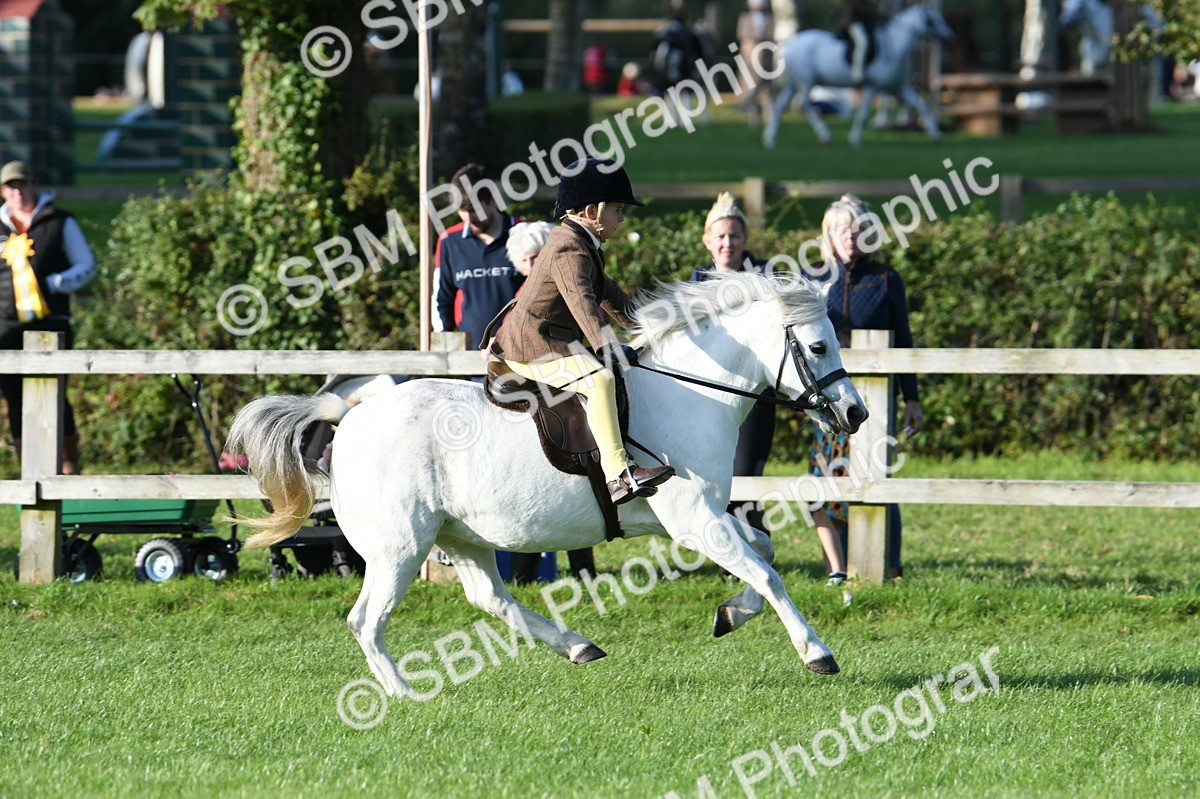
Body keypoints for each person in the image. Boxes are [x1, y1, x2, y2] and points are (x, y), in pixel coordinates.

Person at [492, 156, 674, 505]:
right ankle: (619, 475)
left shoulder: (582, 242)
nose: (622, 216)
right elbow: (584, 306)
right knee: (600, 378)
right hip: (530, 347)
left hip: (550, 340)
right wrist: (610, 348)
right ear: (592, 211)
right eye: (618, 209)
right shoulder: (568, 248)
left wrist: (652, 325)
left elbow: (610, 295)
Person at [810, 194, 922, 584]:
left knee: (877, 478)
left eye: (859, 228)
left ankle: (888, 566)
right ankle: (837, 569)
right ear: (829, 234)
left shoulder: (887, 279)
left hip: (877, 399)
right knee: (825, 480)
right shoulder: (815, 278)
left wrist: (912, 399)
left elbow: (904, 340)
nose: (851, 236)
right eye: (843, 228)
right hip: (827, 398)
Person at [503, 219, 597, 583]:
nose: (533, 264)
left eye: (537, 256)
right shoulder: (520, 300)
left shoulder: (565, 283)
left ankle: (584, 569)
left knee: (578, 454)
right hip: (530, 388)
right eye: (527, 259)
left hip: (565, 382)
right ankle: (524, 576)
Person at [0, 161, 96, 475]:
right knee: (14, 395)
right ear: (4, 190)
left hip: (52, 322)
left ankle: (68, 464)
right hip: (7, 325)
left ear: (34, 184)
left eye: (22, 184)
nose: (17, 192)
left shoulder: (60, 221)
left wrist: (55, 283)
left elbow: (86, 266)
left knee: (55, 392)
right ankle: (29, 468)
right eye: (11, 186)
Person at [689, 192, 775, 537]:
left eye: (735, 235)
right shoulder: (697, 281)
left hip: (756, 396)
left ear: (745, 239)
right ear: (707, 240)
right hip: (711, 397)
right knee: (715, 476)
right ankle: (731, 553)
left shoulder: (764, 275)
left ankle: (759, 549)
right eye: (721, 236)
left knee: (746, 477)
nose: (728, 243)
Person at [433, 164, 525, 352]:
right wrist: (444, 344)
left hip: (521, 354)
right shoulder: (449, 241)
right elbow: (441, 299)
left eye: (474, 210)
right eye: (461, 210)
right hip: (470, 359)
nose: (468, 218)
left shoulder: (526, 234)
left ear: (492, 200)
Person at [736, 0, 776, 126]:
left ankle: (769, 116)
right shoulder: (745, 18)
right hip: (749, 59)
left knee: (766, 90)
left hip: (765, 60)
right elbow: (741, 34)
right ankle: (752, 117)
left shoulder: (770, 19)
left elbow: (772, 36)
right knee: (750, 87)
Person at [838, 0, 883, 87]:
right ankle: (857, 75)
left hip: (861, 22)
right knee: (862, 43)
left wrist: (880, 15)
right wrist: (877, 15)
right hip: (852, 22)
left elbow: (868, 6)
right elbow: (862, 8)